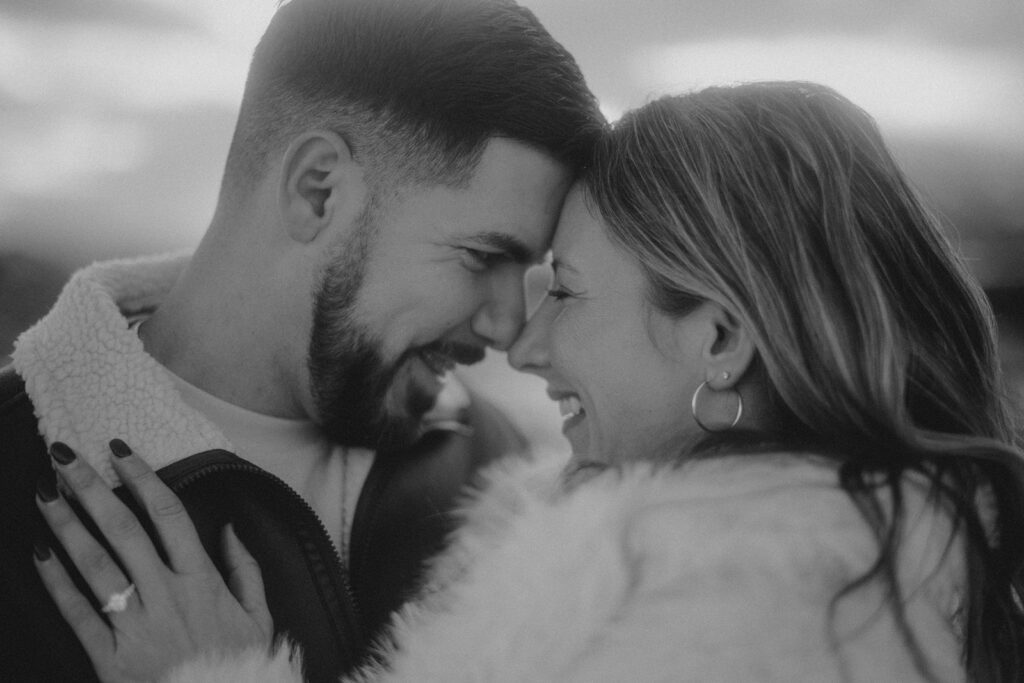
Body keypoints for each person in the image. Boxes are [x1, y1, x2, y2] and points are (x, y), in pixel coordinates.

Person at [33, 82, 1024, 681]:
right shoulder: (856, 557)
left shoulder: (766, 611)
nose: (523, 342)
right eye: (489, 262)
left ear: (720, 335)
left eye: (569, 291)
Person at [0, 0, 604, 680]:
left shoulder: (510, 475)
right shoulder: (12, 477)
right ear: (318, 189)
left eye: (529, 274)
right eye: (481, 256)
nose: (509, 327)